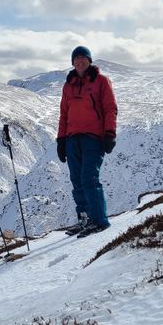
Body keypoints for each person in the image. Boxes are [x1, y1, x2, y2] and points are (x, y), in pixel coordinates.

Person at [56, 46, 118, 238]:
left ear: (89, 61)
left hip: (94, 138)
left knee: (89, 178)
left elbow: (110, 108)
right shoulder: (69, 85)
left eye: (83, 58)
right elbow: (64, 115)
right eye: (76, 59)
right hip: (72, 139)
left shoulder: (101, 81)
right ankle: (84, 218)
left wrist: (110, 133)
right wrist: (61, 140)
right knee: (77, 180)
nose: (80, 61)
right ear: (72, 62)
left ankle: (99, 220)